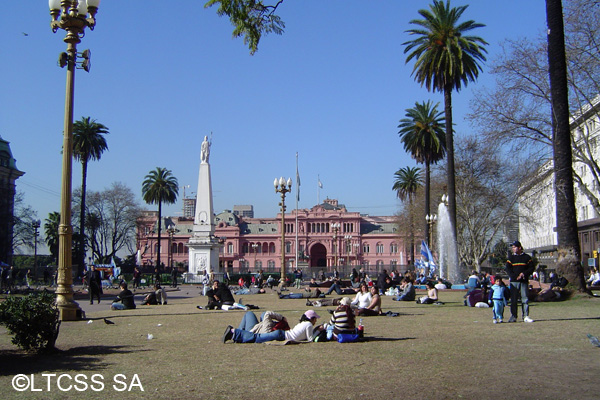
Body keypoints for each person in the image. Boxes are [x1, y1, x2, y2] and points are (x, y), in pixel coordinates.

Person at [223, 310, 324, 344]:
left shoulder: (303, 323)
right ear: (312, 318)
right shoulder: (309, 324)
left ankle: (235, 333)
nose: (316, 321)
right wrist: (318, 331)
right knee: (257, 338)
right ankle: (233, 332)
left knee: (256, 337)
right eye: (315, 319)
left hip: (281, 334)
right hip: (281, 335)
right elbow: (310, 339)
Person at [506, 240, 535, 323]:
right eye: (512, 247)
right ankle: (514, 316)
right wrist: (515, 276)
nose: (513, 249)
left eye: (514, 247)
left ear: (519, 247)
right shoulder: (511, 258)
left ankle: (525, 316)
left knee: (524, 298)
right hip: (514, 282)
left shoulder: (527, 257)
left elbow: (531, 268)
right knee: (514, 300)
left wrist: (523, 274)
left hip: (524, 281)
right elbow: (508, 269)